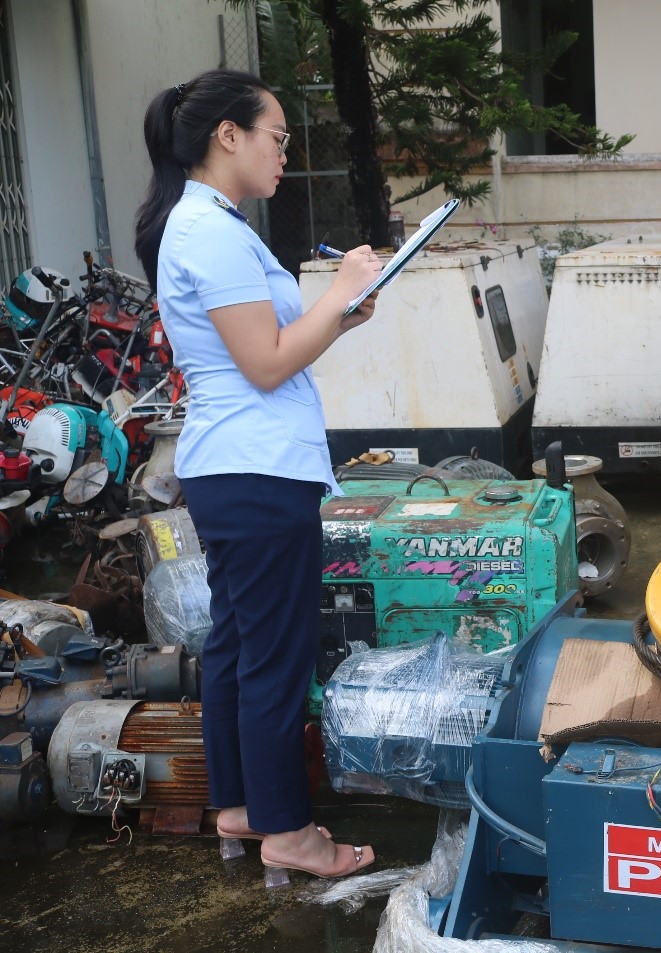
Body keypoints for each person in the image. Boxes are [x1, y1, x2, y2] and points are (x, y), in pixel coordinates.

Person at [135, 68, 382, 879]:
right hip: (255, 468)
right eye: (277, 137)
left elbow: (272, 353)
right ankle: (288, 830)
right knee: (276, 653)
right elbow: (267, 363)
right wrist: (340, 288)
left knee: (240, 648)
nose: (283, 154)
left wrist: (340, 314)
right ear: (227, 136)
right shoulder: (208, 231)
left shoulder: (210, 224)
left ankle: (242, 805)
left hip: (240, 466)